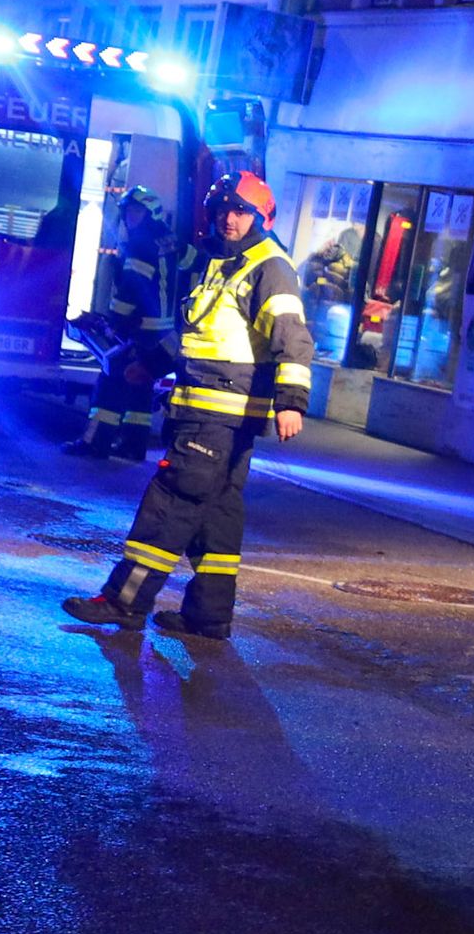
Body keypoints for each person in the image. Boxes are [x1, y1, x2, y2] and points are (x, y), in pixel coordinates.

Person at [61, 170, 311, 639]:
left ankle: (124, 601)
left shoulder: (268, 266)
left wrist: (291, 401)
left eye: (240, 211)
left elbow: (292, 336)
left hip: (218, 416)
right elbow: (197, 333)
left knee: (170, 503)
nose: (229, 219)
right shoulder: (225, 261)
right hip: (209, 413)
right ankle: (208, 617)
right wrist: (150, 365)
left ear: (261, 216)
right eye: (222, 210)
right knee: (216, 514)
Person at [70, 189, 176, 460]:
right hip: (164, 334)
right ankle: (133, 445)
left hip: (140, 331)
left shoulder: (139, 248)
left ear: (150, 216)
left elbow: (129, 292)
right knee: (140, 384)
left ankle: (96, 443)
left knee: (111, 381)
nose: (130, 217)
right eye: (128, 211)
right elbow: (195, 265)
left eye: (137, 212)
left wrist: (112, 322)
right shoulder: (171, 243)